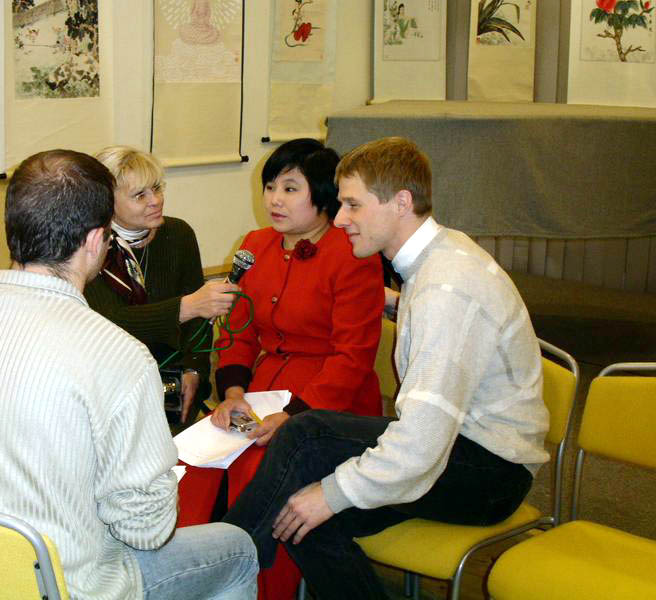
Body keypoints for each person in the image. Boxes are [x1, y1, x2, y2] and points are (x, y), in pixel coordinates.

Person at [0, 149, 258, 600]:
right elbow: (148, 530)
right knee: (237, 549)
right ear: (96, 240)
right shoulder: (118, 355)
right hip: (49, 586)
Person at [223, 137, 549, 600]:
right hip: (459, 446)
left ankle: (217, 565)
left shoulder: (445, 289)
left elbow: (421, 444)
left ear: (401, 202)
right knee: (296, 516)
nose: (339, 218)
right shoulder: (438, 259)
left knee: (306, 452)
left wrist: (331, 494)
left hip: (489, 472)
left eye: (353, 205)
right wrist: (391, 301)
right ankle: (223, 562)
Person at [210, 138, 385, 599]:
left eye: (290, 189)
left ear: (323, 195)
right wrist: (232, 393)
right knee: (201, 461)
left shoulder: (354, 254)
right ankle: (207, 576)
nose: (274, 199)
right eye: (270, 187)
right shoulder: (255, 245)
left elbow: (353, 358)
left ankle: (259, 587)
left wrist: (294, 418)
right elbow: (238, 331)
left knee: (259, 467)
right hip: (261, 390)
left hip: (332, 404)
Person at [84, 146, 238, 425]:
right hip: (111, 385)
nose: (155, 201)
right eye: (139, 195)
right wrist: (186, 307)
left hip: (174, 378)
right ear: (107, 201)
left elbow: (200, 324)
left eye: (156, 188)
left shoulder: (178, 234)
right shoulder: (90, 245)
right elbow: (109, 323)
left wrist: (194, 370)